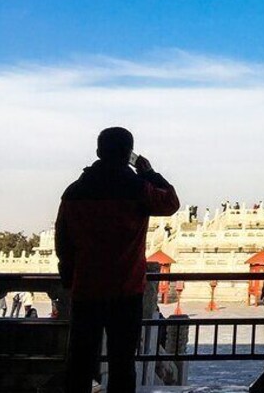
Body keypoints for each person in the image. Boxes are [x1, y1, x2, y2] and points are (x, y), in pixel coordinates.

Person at [55, 127, 180, 393]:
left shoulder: (75, 191)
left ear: (99, 152)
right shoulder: (138, 188)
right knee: (122, 363)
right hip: (126, 290)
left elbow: (62, 239)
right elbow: (171, 202)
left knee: (79, 361)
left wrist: (68, 274)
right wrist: (147, 171)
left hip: (86, 288)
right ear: (129, 155)